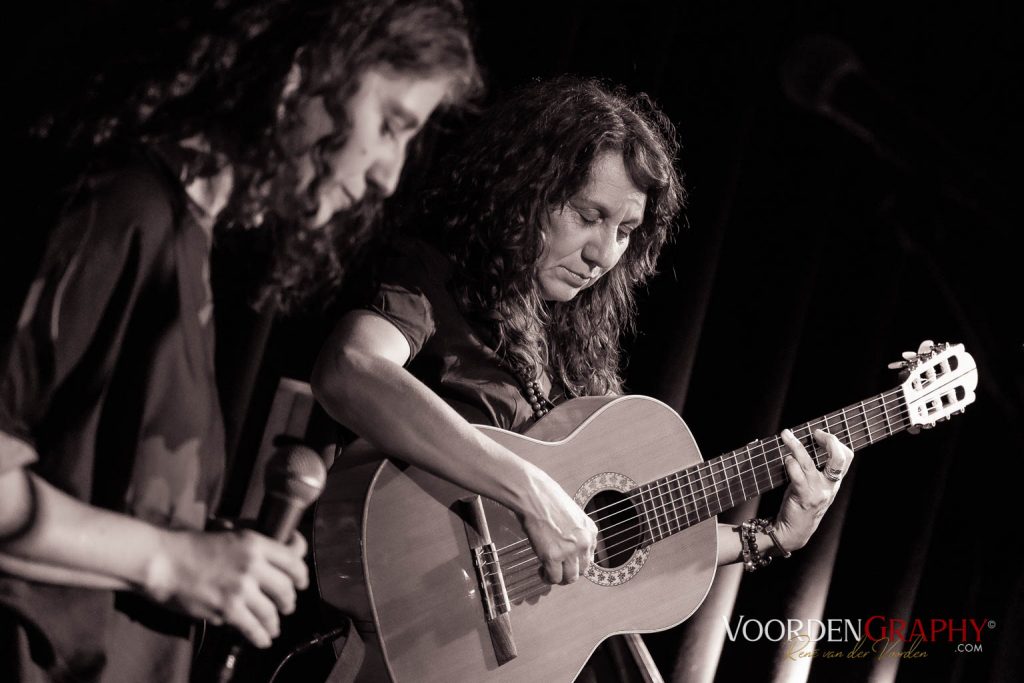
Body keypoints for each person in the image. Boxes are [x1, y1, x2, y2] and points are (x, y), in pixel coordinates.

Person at [0, 1, 481, 681]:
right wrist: (172, 561)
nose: (388, 176)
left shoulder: (186, 240)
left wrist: (211, 555)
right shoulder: (123, 211)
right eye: (391, 126)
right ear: (301, 73)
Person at [311, 76, 853, 678]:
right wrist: (529, 490)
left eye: (624, 231)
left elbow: (617, 538)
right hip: (391, 626)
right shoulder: (435, 278)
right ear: (524, 191)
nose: (603, 254)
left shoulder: (573, 348)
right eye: (588, 215)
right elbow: (351, 370)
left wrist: (772, 538)